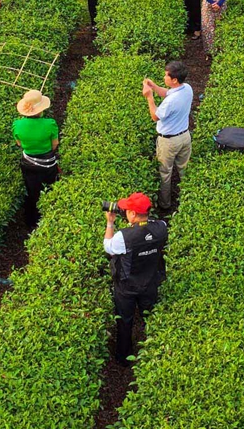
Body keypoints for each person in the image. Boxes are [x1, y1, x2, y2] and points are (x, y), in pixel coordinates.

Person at [104, 191, 168, 364]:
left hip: (126, 287)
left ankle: (123, 357)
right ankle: (154, 355)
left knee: (125, 321)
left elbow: (108, 248)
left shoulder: (122, 237)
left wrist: (110, 223)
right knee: (150, 316)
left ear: (132, 214)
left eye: (126, 210)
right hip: (150, 282)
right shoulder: (161, 227)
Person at [143, 60, 194, 211]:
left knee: (165, 173)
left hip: (169, 142)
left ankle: (165, 205)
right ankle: (188, 198)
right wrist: (154, 86)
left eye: (166, 76)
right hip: (185, 137)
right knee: (184, 169)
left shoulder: (170, 102)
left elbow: (155, 116)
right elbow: (167, 92)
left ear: (174, 80)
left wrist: (149, 96)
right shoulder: (187, 88)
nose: (164, 78)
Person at [12, 89, 59, 226]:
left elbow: (19, 143)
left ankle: (32, 219)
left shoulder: (17, 125)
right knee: (50, 187)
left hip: (28, 163)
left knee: (32, 190)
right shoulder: (50, 124)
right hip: (48, 163)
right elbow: (54, 144)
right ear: (41, 110)